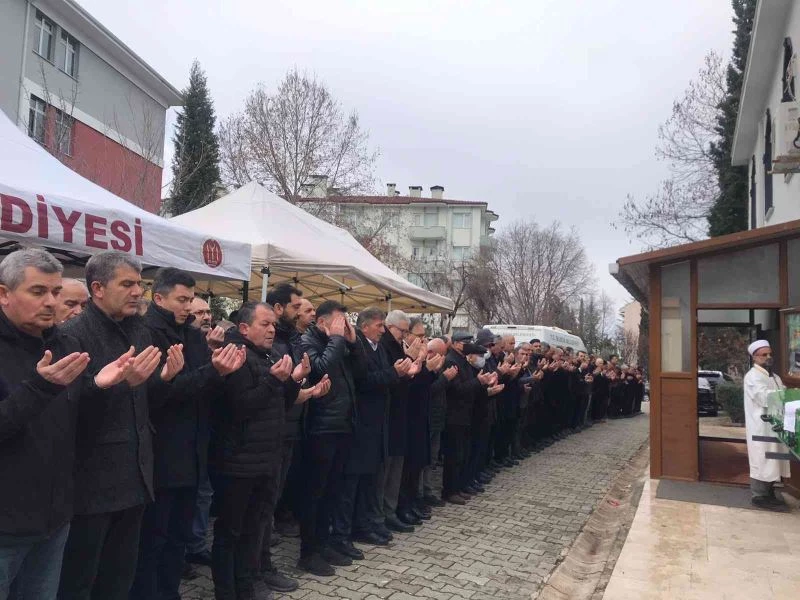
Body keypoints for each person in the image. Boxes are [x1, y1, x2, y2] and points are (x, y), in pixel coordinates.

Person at [58, 251, 185, 600]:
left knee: (120, 577)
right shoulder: (71, 335)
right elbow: (67, 411)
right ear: (98, 288)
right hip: (90, 485)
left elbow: (145, 402)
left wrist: (163, 379)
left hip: (135, 476)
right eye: (127, 284)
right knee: (80, 581)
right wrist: (111, 386)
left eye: (139, 284)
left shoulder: (138, 331)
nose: (137, 292)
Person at [130, 269, 246, 600]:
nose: (188, 306)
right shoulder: (146, 333)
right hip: (161, 453)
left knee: (178, 537)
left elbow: (201, 386)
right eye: (182, 300)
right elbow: (158, 395)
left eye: (191, 299)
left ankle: (170, 592)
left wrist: (223, 373)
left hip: (193, 452)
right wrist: (213, 372)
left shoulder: (192, 336)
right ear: (159, 298)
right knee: (153, 539)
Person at [209, 302, 325, 599]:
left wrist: (294, 378)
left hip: (266, 459)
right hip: (238, 462)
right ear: (244, 328)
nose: (272, 329)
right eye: (265, 324)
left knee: (254, 529)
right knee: (231, 531)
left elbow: (281, 403)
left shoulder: (267, 355)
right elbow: (241, 407)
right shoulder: (235, 356)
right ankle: (226, 591)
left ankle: (246, 585)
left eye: (273, 324)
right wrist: (275, 380)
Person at [0, 249, 97, 600]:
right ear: (4, 293)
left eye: (56, 292)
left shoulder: (64, 342)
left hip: (53, 519)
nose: (51, 302)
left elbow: (68, 418)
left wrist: (103, 385)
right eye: (38, 291)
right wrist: (40, 388)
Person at [330, 308, 412, 553]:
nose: (382, 330)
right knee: (351, 485)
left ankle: (365, 524)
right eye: (379, 325)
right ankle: (344, 532)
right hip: (360, 426)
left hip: (377, 425)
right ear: (364, 326)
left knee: (369, 481)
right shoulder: (357, 347)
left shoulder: (379, 348)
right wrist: (394, 372)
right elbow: (364, 380)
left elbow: (382, 377)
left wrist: (398, 373)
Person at [298, 300, 361, 576]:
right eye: (339, 322)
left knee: (332, 491)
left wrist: (353, 343)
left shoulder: (339, 343)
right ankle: (308, 553)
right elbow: (321, 368)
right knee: (315, 492)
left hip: (342, 424)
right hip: (320, 427)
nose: (343, 327)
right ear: (322, 322)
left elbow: (360, 371)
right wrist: (336, 339)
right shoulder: (308, 341)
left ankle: (324, 544)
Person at [441, 333, 496, 505]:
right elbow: (456, 390)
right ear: (456, 344)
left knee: (462, 454)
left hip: (466, 414)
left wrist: (484, 384)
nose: (469, 345)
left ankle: (459, 487)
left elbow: (470, 385)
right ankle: (450, 490)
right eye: (466, 342)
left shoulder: (463, 360)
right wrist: (478, 382)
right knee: (454, 456)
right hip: (454, 416)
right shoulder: (451, 361)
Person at [379, 310, 422, 530]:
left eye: (406, 332)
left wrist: (412, 368)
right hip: (388, 416)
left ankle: (391, 510)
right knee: (386, 471)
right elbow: (387, 379)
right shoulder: (384, 346)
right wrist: (409, 362)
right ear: (389, 327)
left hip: (400, 415)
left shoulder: (397, 347)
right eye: (402, 331)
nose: (404, 336)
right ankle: (382, 514)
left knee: (396, 469)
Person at [184, 297, 216, 568]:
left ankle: (196, 544)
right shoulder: (184, 345)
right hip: (182, 436)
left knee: (204, 494)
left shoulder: (217, 345)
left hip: (206, 432)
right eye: (199, 312)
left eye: (208, 312)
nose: (206, 317)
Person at [743, 340, 790, 511]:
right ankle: (759, 496)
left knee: (773, 460)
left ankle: (769, 493)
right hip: (761, 427)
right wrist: (783, 393)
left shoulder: (774, 377)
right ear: (755, 357)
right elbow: (763, 397)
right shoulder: (752, 377)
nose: (768, 357)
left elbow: (782, 395)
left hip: (775, 426)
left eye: (770, 354)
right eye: (764, 355)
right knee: (761, 459)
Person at [421, 338, 457, 506]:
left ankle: (427, 491)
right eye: (440, 355)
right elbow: (427, 391)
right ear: (430, 353)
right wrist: (444, 378)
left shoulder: (439, 367)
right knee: (423, 460)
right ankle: (420, 493)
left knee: (432, 459)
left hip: (438, 418)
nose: (443, 359)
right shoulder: (424, 368)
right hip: (426, 419)